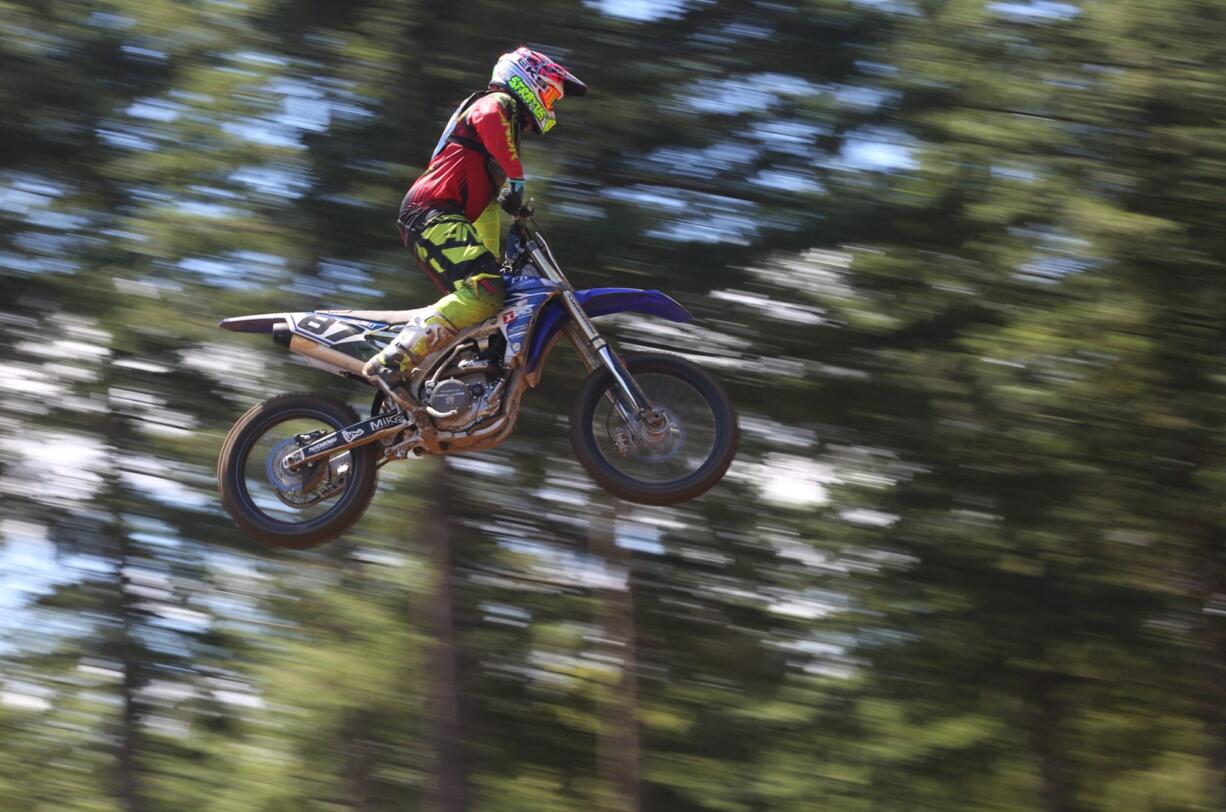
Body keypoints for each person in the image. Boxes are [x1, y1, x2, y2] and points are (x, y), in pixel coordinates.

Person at [361, 46, 587, 388]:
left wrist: (499, 260)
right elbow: (488, 117)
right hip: (431, 211)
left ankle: (446, 384)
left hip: (440, 216)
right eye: (550, 94)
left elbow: (485, 215)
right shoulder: (496, 103)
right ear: (528, 81)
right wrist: (518, 177)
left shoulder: (495, 149)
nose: (551, 105)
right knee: (484, 293)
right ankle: (392, 361)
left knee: (491, 300)